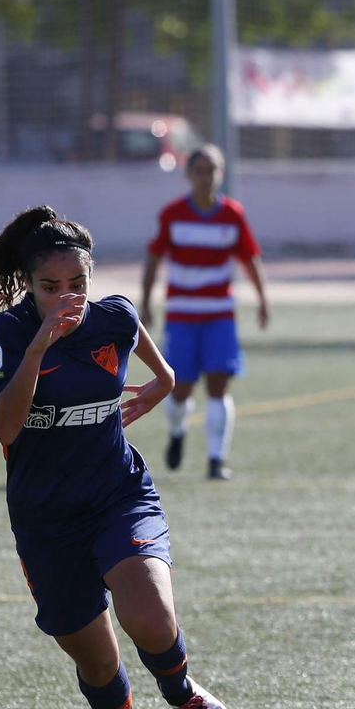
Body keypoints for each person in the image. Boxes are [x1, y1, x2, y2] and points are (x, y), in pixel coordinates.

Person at [0, 205, 242, 709]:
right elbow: (3, 427)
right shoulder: (10, 335)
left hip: (118, 493)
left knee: (148, 615)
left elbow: (167, 375)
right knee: (96, 658)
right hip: (45, 517)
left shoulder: (115, 316)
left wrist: (152, 392)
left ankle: (180, 691)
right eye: (50, 287)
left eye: (78, 285)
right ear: (28, 285)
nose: (67, 297)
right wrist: (42, 343)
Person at [141, 144, 270, 481]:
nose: (205, 176)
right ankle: (178, 431)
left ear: (220, 174)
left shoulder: (233, 214)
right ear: (188, 175)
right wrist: (145, 301)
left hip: (219, 315)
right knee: (179, 387)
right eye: (199, 170)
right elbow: (154, 258)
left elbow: (250, 259)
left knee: (218, 384)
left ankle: (216, 460)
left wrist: (262, 300)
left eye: (211, 170)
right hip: (182, 315)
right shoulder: (172, 214)